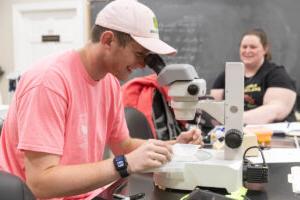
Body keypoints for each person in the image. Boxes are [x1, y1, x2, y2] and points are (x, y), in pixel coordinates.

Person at [0, 0, 202, 199]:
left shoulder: (110, 83)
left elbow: (123, 145)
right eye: (139, 54)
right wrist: (124, 164)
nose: (143, 64)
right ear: (108, 40)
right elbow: (40, 184)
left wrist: (174, 147)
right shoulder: (49, 82)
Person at [210, 28, 297, 124]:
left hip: (273, 137)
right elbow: (213, 108)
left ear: (265, 49)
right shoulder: (227, 75)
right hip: (234, 133)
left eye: (253, 47)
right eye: (244, 47)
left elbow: (273, 111)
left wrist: (233, 120)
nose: (247, 50)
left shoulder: (277, 74)